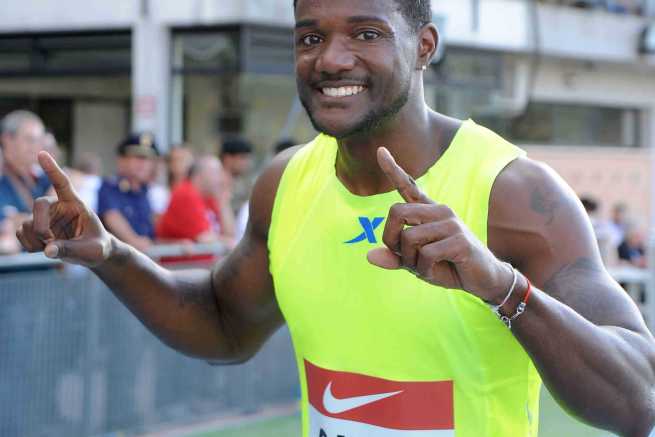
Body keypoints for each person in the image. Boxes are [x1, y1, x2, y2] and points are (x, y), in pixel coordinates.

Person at [16, 1, 655, 436]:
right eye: (311, 36)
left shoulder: (513, 193)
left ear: (424, 46)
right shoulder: (286, 182)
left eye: (366, 33)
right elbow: (224, 327)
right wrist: (112, 256)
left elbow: (638, 399)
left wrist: (503, 288)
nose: (331, 59)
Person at [96, 133, 158, 252]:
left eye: (147, 159)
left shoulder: (146, 192)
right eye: (138, 157)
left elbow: (152, 235)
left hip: (143, 259)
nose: (143, 164)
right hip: (117, 260)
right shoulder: (110, 187)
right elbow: (112, 217)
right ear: (122, 160)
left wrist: (176, 242)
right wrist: (134, 240)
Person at [156, 155, 233, 245]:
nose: (221, 178)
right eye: (215, 172)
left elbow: (230, 234)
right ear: (199, 175)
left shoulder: (209, 197)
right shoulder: (186, 194)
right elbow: (204, 238)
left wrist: (223, 202)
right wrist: (226, 241)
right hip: (179, 254)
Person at [0, 110, 50, 221]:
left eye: (40, 141)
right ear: (7, 139)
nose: (36, 146)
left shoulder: (40, 177)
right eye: (30, 140)